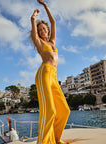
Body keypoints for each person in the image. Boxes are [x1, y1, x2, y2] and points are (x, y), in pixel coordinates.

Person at [30, 0, 70, 144]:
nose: (42, 31)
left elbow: (53, 22)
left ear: (47, 29)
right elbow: (34, 34)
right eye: (39, 29)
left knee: (64, 110)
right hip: (44, 74)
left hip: (54, 76)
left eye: (43, 28)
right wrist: (33, 19)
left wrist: (46, 6)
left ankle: (56, 139)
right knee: (50, 111)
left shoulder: (52, 42)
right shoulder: (40, 44)